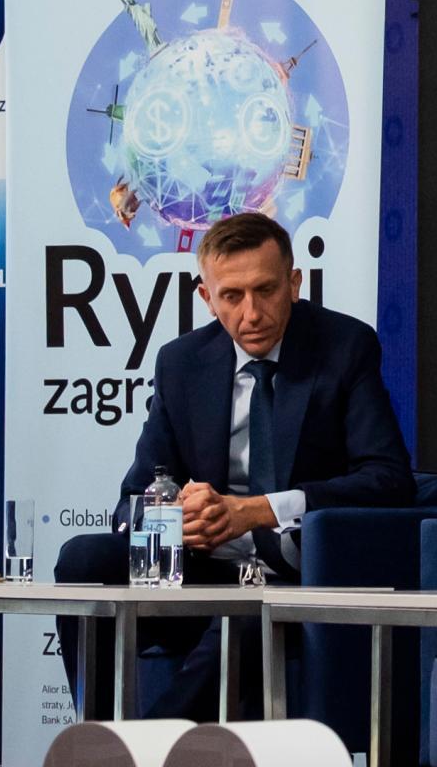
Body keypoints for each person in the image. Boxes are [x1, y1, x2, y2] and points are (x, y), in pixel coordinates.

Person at [50, 210, 412, 723]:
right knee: (82, 559)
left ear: (294, 283)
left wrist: (260, 510)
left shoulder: (344, 347)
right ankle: (96, 729)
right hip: (203, 565)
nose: (252, 313)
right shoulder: (182, 363)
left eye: (265, 290)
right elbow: (132, 500)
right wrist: (177, 514)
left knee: (246, 615)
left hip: (297, 565)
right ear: (206, 297)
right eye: (232, 296)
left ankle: (142, 753)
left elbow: (389, 479)